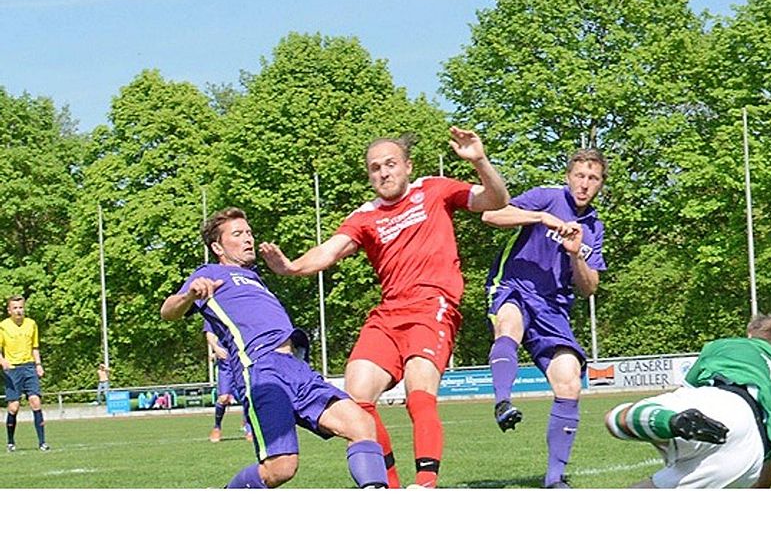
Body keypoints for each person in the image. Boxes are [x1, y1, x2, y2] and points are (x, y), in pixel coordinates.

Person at [260, 126, 509, 488]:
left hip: (432, 306)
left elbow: (496, 200)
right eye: (375, 168)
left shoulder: (434, 190)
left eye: (390, 164)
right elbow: (330, 251)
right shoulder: (365, 217)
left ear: (407, 166)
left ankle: (424, 485)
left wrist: (480, 161)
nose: (383, 172)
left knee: (418, 391)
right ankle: (390, 488)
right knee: (357, 395)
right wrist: (292, 267)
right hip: (389, 314)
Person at [160, 207, 387, 489]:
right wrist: (189, 294)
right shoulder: (208, 273)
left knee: (362, 425)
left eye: (249, 233)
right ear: (217, 246)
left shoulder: (255, 276)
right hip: (262, 372)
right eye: (238, 234)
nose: (248, 239)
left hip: (297, 369)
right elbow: (168, 311)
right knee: (280, 469)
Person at [481, 148, 607, 488]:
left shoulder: (593, 226)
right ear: (568, 177)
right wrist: (539, 218)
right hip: (513, 286)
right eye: (579, 176)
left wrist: (575, 255)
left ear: (600, 185)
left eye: (592, 178)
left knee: (568, 380)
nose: (584, 184)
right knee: (508, 325)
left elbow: (589, 287)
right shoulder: (545, 198)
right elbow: (491, 216)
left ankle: (554, 480)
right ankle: (503, 401)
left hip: (553, 307)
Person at [604, 312, 771, 488]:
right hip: (750, 451)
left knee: (617, 419)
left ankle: (671, 422)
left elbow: (688, 388)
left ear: (750, 333)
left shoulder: (728, 344)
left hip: (720, 399)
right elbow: (769, 468)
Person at [0, 295, 50, 452]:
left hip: (29, 367)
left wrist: (39, 365)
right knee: (14, 407)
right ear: (9, 311)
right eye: (15, 308)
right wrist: (3, 361)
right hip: (13, 370)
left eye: (20, 307)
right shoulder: (3, 326)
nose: (18, 310)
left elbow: (35, 348)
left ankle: (42, 442)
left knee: (35, 402)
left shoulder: (31, 324)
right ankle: (10, 441)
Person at [205, 329, 253, 442]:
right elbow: (209, 332)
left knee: (247, 397)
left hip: (242, 360)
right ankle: (217, 427)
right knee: (224, 398)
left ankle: (249, 428)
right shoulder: (216, 312)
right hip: (226, 362)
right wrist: (216, 348)